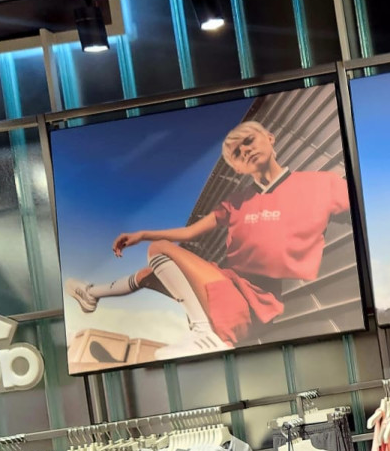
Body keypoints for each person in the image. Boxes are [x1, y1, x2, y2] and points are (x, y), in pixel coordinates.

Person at [65, 119, 351, 359]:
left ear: (270, 138)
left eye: (249, 141)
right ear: (237, 168)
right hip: (228, 285)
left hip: (250, 306)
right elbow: (189, 233)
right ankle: (91, 295)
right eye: (237, 153)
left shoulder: (320, 184)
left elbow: (362, 206)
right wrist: (142, 235)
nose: (246, 151)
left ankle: (204, 333)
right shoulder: (237, 202)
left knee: (160, 250)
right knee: (147, 273)